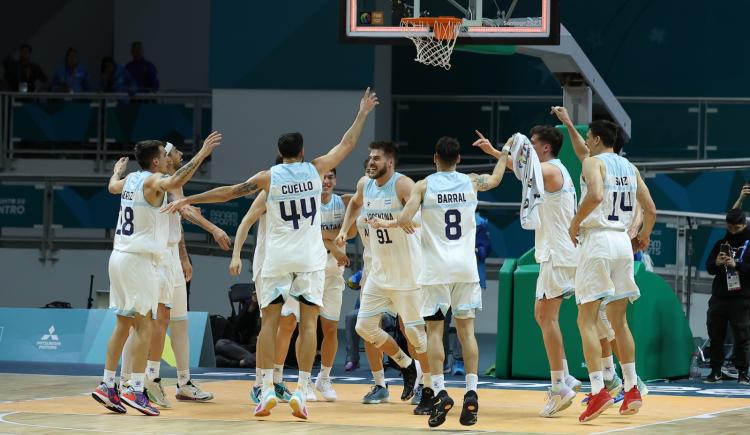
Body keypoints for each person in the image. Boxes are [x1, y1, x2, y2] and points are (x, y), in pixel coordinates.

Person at [166, 88, 378, 420]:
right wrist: (363, 113)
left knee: (270, 324)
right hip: (309, 258)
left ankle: (265, 388)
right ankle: (302, 390)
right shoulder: (315, 170)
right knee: (309, 326)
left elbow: (229, 193)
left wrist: (189, 199)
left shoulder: (269, 176)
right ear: (303, 151)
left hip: (277, 259)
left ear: (279, 152)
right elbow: (347, 145)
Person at [92, 132, 221, 416]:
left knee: (123, 323)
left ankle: (107, 383)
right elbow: (175, 182)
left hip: (119, 257)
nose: (167, 158)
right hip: (139, 260)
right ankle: (136, 389)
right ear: (155, 160)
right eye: (164, 155)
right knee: (145, 325)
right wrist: (201, 153)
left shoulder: (131, 180)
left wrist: (115, 172)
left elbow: (113, 186)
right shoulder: (152, 180)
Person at [389, 133, 509, 427]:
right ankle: (471, 391)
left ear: (434, 159)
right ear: (459, 159)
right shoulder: (470, 181)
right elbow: (495, 179)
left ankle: (440, 390)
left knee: (434, 332)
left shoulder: (424, 185)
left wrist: (411, 223)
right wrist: (502, 153)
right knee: (467, 333)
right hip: (465, 268)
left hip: (435, 271)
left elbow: (404, 219)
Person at [553, 106, 657, 422]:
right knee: (619, 321)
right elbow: (650, 209)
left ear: (596, 139)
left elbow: (596, 195)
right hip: (623, 244)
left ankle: (598, 390)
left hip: (598, 240)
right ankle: (631, 387)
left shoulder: (592, 163)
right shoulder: (629, 167)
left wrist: (574, 222)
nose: (586, 142)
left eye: (588, 137)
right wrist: (644, 236)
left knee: (585, 320)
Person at [335, 140, 433, 416]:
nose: (370, 162)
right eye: (369, 158)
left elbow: (417, 218)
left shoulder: (403, 185)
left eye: (376, 158)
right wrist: (344, 229)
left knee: (415, 334)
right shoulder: (364, 185)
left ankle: (429, 386)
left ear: (389, 162)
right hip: (378, 272)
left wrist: (395, 222)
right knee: (364, 326)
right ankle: (406, 365)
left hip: (408, 273)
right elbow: (354, 204)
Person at [503, 125, 584, 416]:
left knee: (548, 317)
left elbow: (526, 170)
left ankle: (559, 386)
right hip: (554, 252)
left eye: (533, 143)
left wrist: (509, 153)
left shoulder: (549, 170)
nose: (531, 148)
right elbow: (524, 170)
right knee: (541, 315)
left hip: (559, 254)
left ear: (546, 147)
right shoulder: (550, 169)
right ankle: (566, 376)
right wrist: (496, 153)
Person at [704, 208, 750, 385]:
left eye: (737, 228)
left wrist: (736, 265)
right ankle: (715, 371)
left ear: (744, 225)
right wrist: (717, 263)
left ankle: (743, 373)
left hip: (742, 298)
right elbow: (709, 267)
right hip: (720, 296)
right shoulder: (721, 243)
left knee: (742, 337)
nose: (733, 231)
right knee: (716, 336)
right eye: (730, 227)